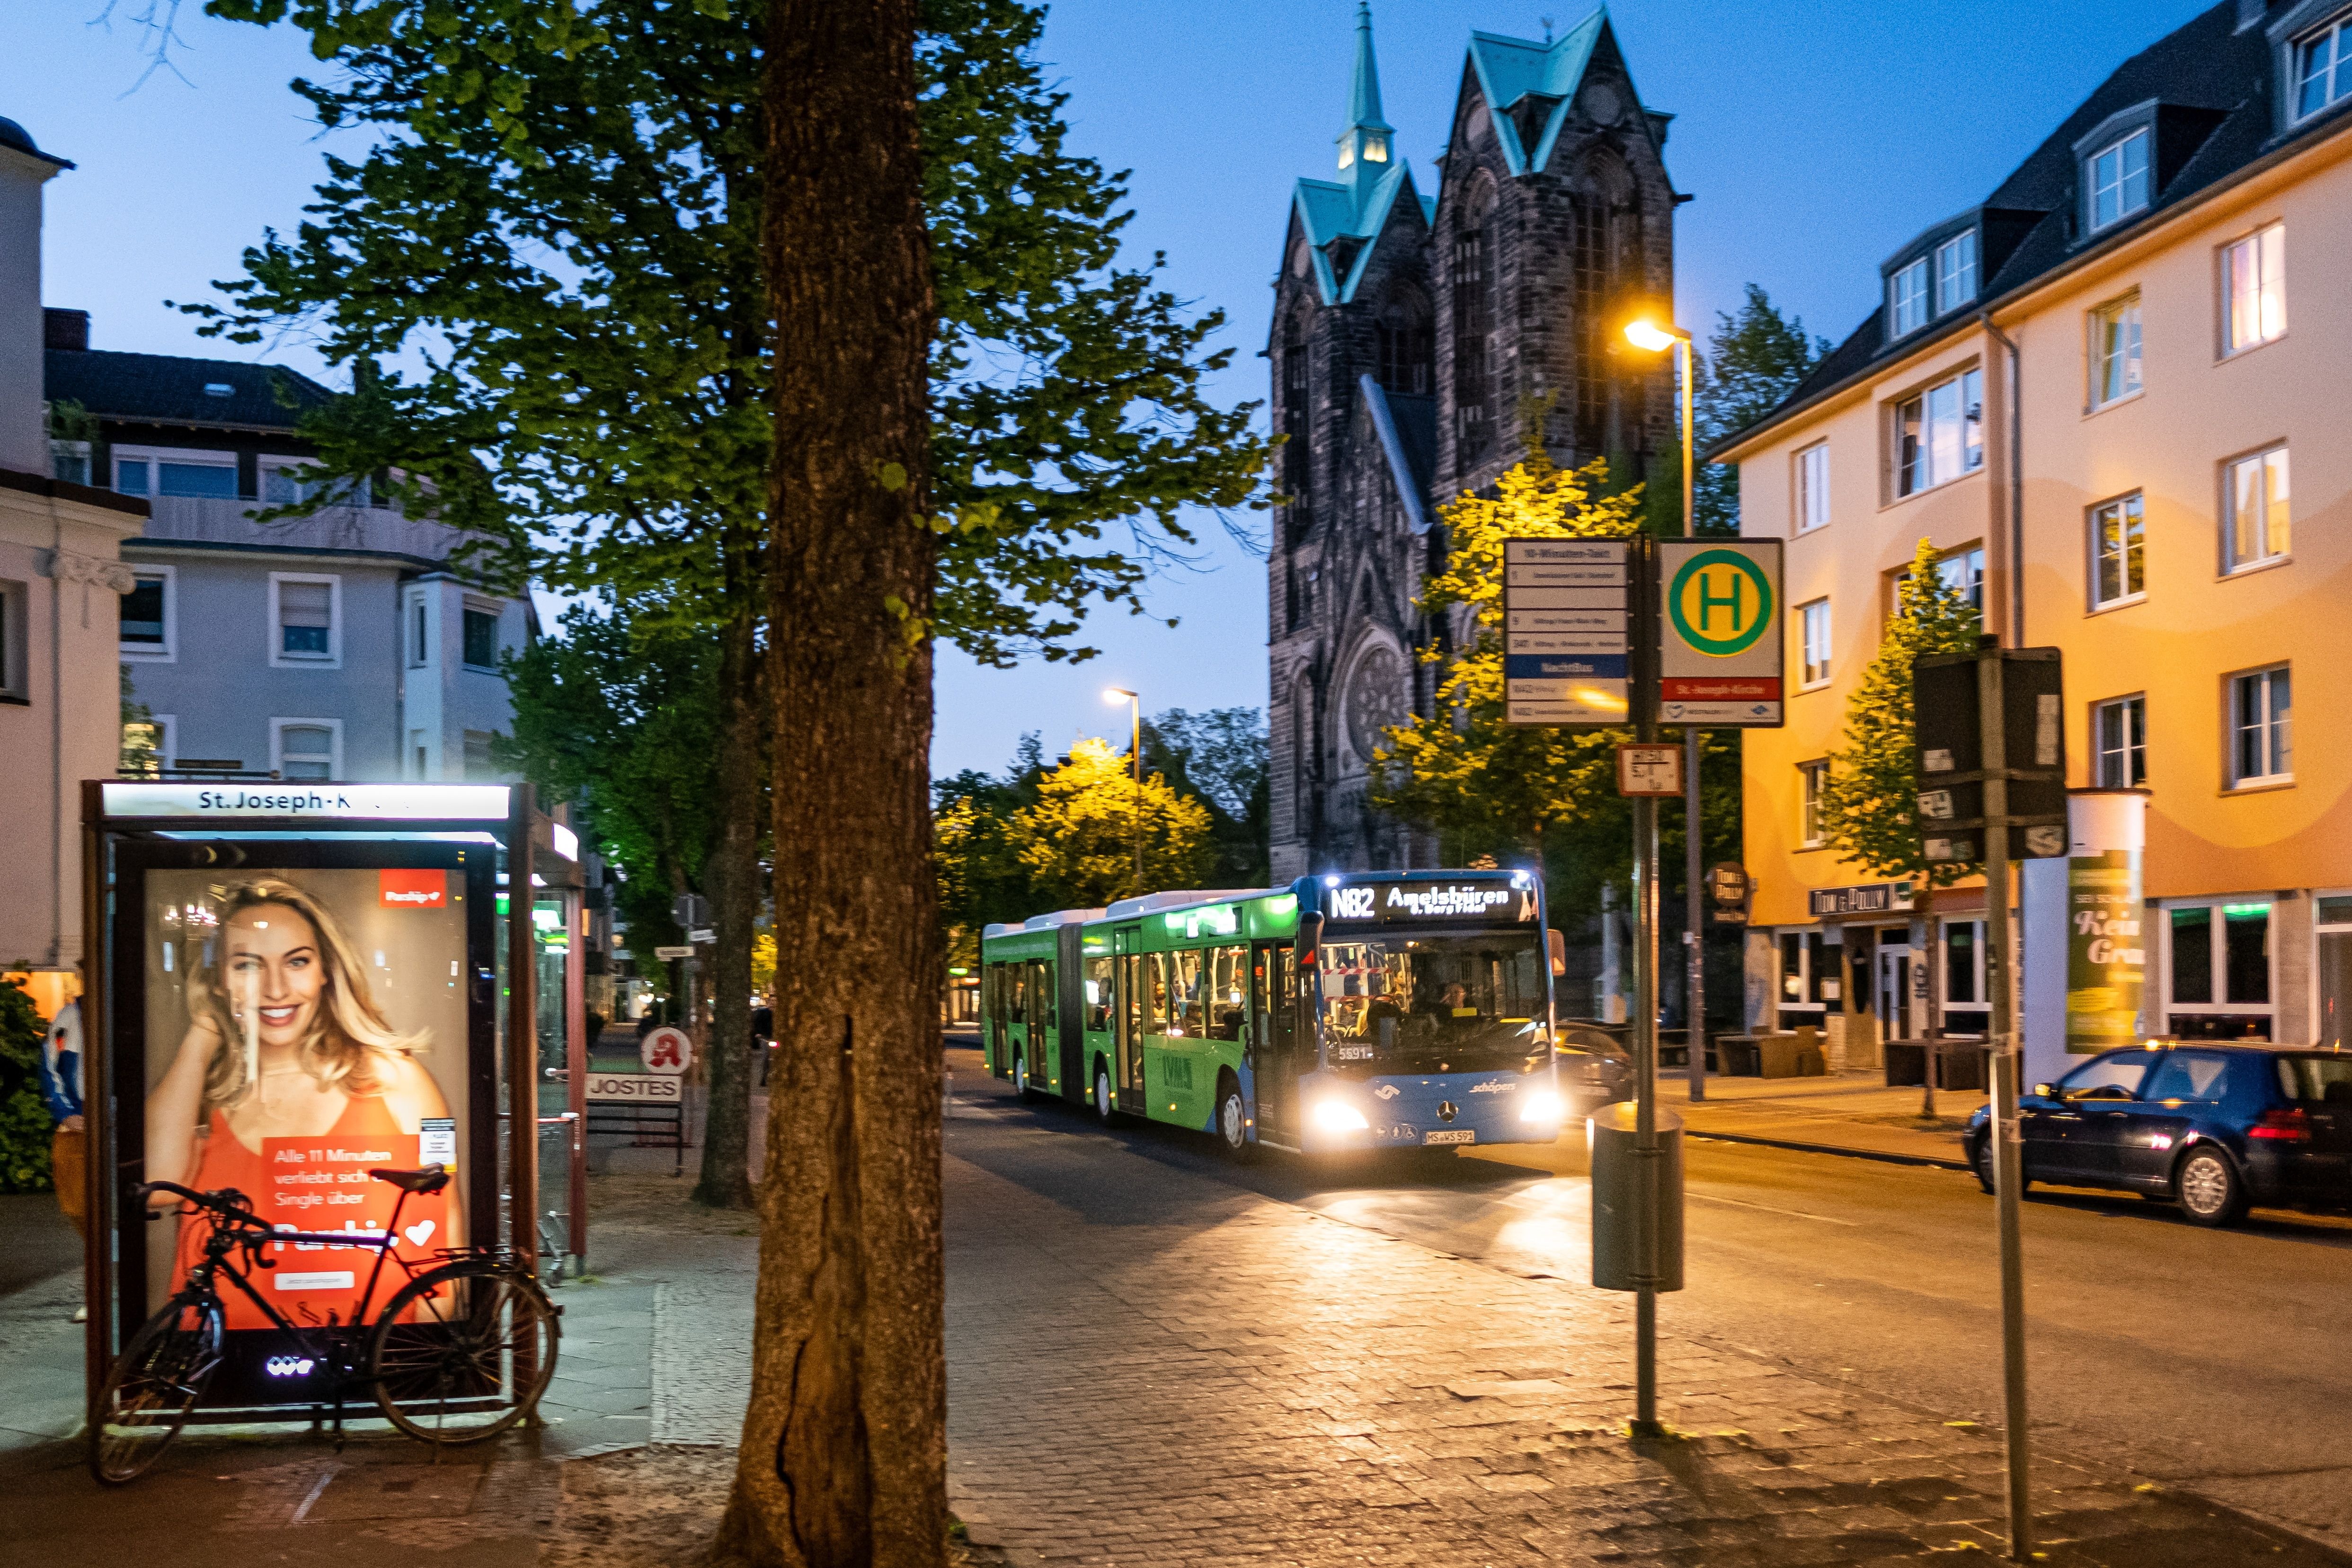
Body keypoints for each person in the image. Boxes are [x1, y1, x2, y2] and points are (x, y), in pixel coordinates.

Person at [144, 877, 462, 1297]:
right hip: (218, 1355)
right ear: (219, 978)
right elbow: (155, 1187)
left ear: (326, 970)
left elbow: (444, 1221)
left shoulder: (395, 1078)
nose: (276, 989)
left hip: (367, 1350)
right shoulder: (202, 1093)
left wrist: (425, 1348)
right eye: (248, 965)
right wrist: (204, 1032)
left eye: (297, 962)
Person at [37, 986, 87, 1323]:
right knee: (79, 1207)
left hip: (120, 1126)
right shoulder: (69, 1018)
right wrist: (65, 1111)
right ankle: (96, 1288)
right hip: (80, 1126)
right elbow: (49, 1066)